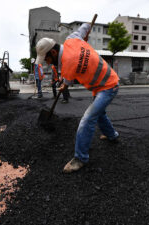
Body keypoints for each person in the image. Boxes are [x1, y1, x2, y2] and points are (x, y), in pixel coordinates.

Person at [35, 23, 120, 173]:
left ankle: (80, 158)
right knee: (99, 114)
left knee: (87, 119)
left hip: (108, 86)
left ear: (53, 53)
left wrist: (64, 86)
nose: (47, 63)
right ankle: (112, 135)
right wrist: (85, 34)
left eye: (46, 59)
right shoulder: (72, 39)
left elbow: (67, 80)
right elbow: (86, 25)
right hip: (101, 85)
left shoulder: (67, 66)